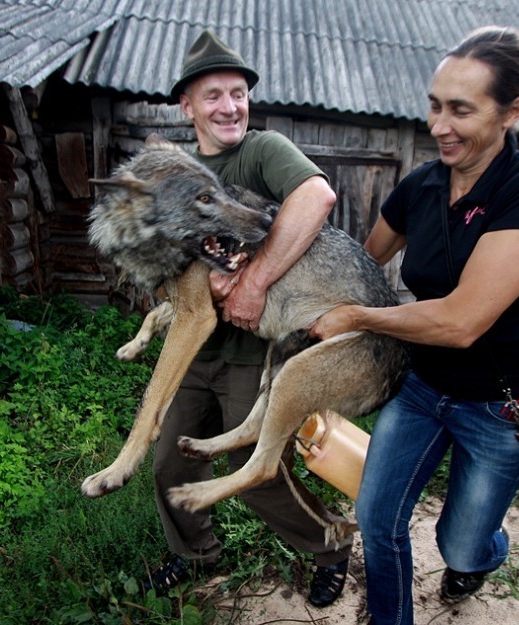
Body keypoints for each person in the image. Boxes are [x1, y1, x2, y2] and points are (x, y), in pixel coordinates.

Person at [309, 26, 519, 624]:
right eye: (434, 104)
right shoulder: (422, 186)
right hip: (423, 387)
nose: (439, 124)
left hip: (500, 402)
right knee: (378, 519)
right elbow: (361, 262)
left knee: (461, 545)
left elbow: (461, 322)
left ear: (513, 110)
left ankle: (481, 556)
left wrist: (354, 316)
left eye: (460, 109)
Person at [144, 29, 352, 608]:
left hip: (257, 352)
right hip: (195, 350)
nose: (229, 106)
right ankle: (194, 555)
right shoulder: (177, 172)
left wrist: (253, 282)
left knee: (253, 469)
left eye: (238, 92)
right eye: (213, 95)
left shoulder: (261, 151)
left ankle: (330, 543)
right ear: (187, 106)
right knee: (167, 463)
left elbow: (316, 196)